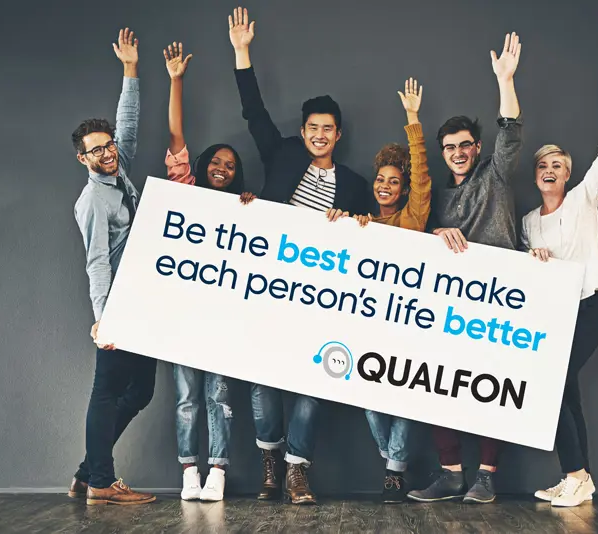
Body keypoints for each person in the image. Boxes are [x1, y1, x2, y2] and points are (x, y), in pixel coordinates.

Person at [229, 6, 368, 505]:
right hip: (268, 286)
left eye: (328, 128)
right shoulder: (283, 153)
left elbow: (371, 245)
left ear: (337, 134)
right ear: (304, 130)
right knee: (264, 380)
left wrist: (357, 222)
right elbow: (255, 115)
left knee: (316, 381)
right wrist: (242, 53)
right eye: (313, 127)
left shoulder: (353, 184)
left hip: (321, 300)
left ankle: (296, 470)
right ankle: (270, 459)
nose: (319, 135)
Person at [407, 32, 523, 505]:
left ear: (477, 148)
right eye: (450, 145)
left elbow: (511, 130)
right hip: (451, 303)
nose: (458, 151)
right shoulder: (438, 195)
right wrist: (436, 234)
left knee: (493, 387)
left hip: (499, 295)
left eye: (465, 144)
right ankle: (452, 472)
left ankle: (487, 476)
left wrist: (506, 81)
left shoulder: (495, 172)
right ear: (443, 151)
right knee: (438, 384)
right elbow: (421, 234)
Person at [523, 69, 598, 507]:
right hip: (552, 318)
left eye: (557, 166)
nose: (549, 171)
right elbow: (527, 278)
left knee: (550, 387)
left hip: (587, 308)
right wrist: (532, 261)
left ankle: (574, 473)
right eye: (543, 166)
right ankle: (579, 477)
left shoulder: (582, 199)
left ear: (568, 175)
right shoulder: (529, 222)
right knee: (566, 393)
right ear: (536, 176)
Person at [162, 41, 255, 503]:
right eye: (216, 162)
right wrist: (176, 80)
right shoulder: (187, 193)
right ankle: (188, 472)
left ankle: (217, 470)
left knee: (219, 397)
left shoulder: (244, 209)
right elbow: (176, 138)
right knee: (186, 399)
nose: (222, 168)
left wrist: (253, 213)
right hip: (183, 316)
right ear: (204, 168)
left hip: (222, 318)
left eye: (230, 166)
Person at [68, 28, 156, 506]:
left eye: (108, 146)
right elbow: (96, 262)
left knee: (139, 391)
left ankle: (88, 470)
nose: (107, 152)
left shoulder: (118, 171)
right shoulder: (94, 202)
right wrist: (104, 318)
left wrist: (130, 71)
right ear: (81, 158)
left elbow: (130, 126)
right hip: (119, 305)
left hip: (142, 299)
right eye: (96, 150)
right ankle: (101, 481)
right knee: (107, 392)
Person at [354, 78, 431, 503]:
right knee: (370, 401)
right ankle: (392, 460)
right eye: (381, 179)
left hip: (407, 326)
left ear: (402, 190)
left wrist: (413, 121)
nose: (385, 185)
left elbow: (422, 179)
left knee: (403, 401)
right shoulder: (361, 224)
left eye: (394, 181)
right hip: (369, 327)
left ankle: (393, 472)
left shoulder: (411, 221)